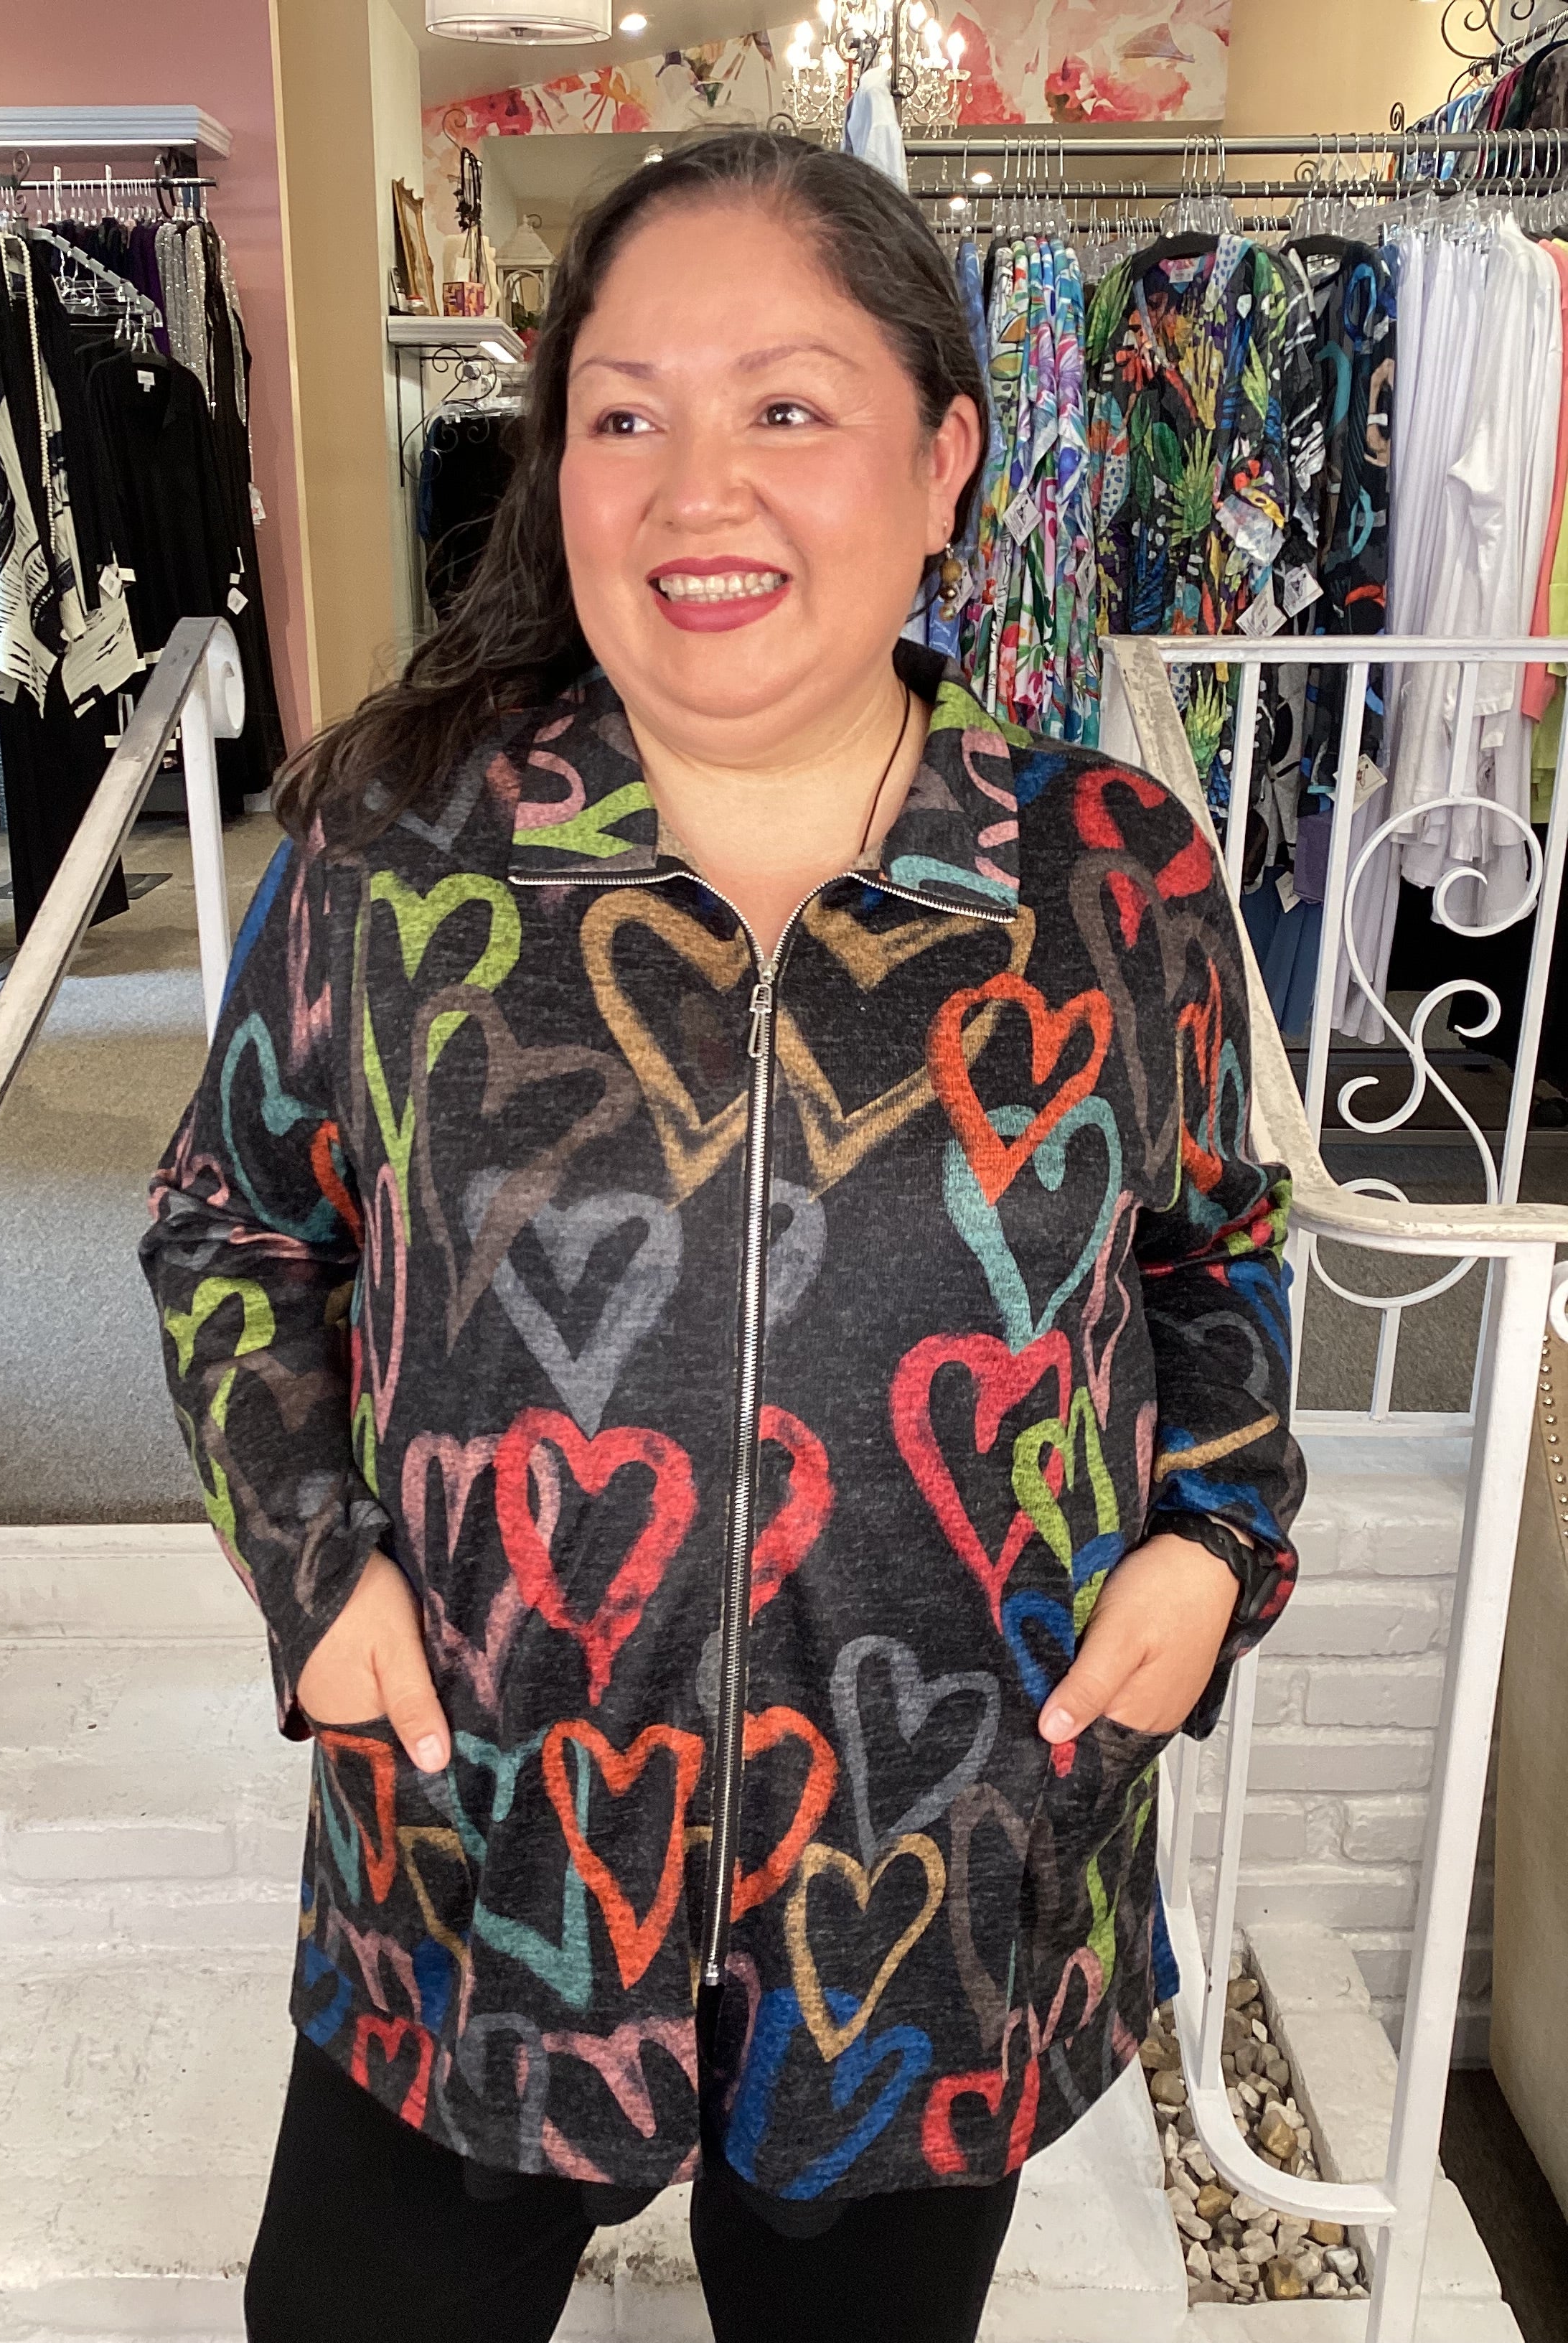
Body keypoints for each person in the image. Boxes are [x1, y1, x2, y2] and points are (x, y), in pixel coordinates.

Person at [141, 130, 1305, 2343]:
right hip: (483, 1861)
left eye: (787, 405)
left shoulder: (1109, 875)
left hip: (937, 1879)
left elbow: (1211, 1251)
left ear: (946, 458)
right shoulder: (398, 851)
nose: (701, 490)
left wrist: (1214, 1542)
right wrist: (314, 1572)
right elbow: (231, 1228)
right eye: (627, 414)